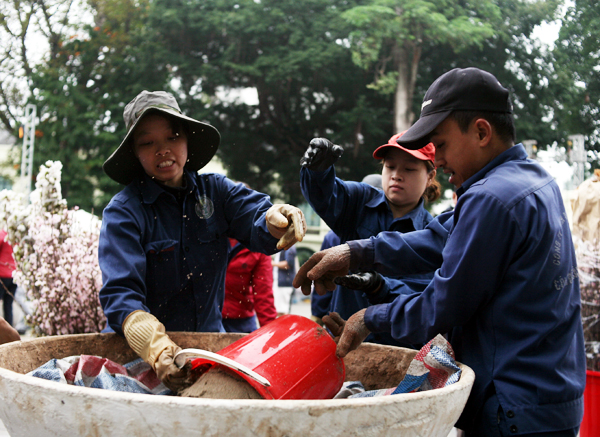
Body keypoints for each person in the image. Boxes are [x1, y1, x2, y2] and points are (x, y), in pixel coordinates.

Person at [294, 67, 585, 436]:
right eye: (390, 167)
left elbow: (442, 305)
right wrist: (357, 251)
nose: (439, 160)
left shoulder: (490, 198)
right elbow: (441, 238)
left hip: (513, 404)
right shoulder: (534, 180)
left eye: (441, 145)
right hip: (549, 397)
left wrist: (369, 317)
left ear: (481, 132)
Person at [98, 90, 306, 392]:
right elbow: (121, 297)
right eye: (147, 142)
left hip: (209, 349)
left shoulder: (216, 191)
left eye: (172, 137)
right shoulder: (124, 212)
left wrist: (276, 220)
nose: (162, 150)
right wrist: (157, 351)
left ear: (187, 140)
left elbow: (254, 215)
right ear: (134, 153)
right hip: (139, 359)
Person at [299, 131, 441, 347]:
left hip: (397, 350)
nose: (396, 175)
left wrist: (379, 287)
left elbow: (423, 301)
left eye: (409, 169)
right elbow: (328, 196)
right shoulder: (360, 201)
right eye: (390, 166)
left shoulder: (433, 235)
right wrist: (318, 171)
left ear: (430, 176)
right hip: (341, 341)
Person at [221, 238, 277, 333]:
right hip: (206, 318)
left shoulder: (260, 246)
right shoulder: (207, 234)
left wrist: (271, 334)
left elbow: (263, 294)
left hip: (240, 320)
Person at [271, 246, 297, 314]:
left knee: (282, 311)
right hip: (281, 283)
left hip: (284, 283)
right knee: (280, 309)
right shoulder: (283, 247)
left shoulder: (289, 247)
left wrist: (273, 264)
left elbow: (289, 264)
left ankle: (283, 325)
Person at [0, 229, 16, 327]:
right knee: (8, 305)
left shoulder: (2, 235)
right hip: (14, 275)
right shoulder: (16, 236)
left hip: (2, 274)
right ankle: (9, 329)